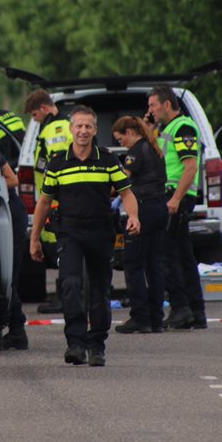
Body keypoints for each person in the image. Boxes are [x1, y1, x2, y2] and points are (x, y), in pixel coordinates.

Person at [30, 105, 141, 367]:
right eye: (78, 126)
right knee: (69, 285)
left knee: (100, 290)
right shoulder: (57, 162)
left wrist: (134, 216)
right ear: (70, 130)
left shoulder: (107, 160)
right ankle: (76, 343)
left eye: (88, 126)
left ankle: (96, 345)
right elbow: (44, 202)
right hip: (69, 233)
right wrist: (35, 238)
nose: (83, 131)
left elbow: (126, 193)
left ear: (94, 129)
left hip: (101, 232)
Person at [147, 84, 207, 330]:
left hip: (176, 196)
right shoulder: (167, 129)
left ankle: (181, 307)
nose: (150, 110)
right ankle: (195, 312)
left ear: (167, 104)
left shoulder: (183, 127)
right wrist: (149, 128)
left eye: (153, 105)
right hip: (172, 195)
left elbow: (190, 166)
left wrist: (175, 199)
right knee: (182, 255)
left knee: (168, 254)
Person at [111, 116, 169, 334]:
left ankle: (140, 317)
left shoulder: (136, 151)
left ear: (129, 132)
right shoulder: (154, 147)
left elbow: (122, 181)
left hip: (143, 209)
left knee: (133, 263)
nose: (121, 144)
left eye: (120, 139)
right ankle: (156, 319)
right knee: (154, 264)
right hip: (160, 207)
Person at [24, 88, 73, 314]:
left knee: (61, 250)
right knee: (60, 250)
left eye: (34, 115)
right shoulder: (58, 125)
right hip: (54, 198)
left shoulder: (55, 128)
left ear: (43, 108)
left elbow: (59, 164)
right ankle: (65, 296)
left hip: (55, 199)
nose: (35, 120)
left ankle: (66, 298)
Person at [0, 150, 30, 350]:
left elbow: (13, 180)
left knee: (10, 276)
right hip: (3, 213)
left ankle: (17, 331)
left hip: (11, 215)